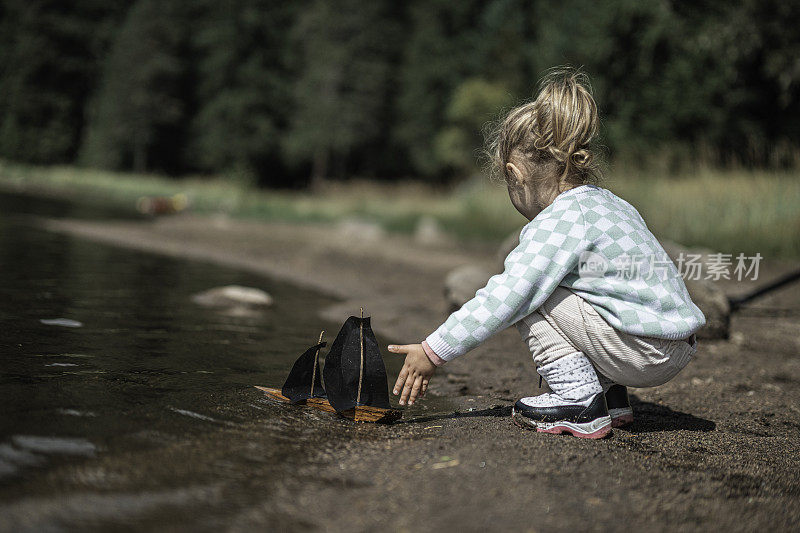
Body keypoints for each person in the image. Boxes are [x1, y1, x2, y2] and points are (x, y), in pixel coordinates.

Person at [388, 67, 705, 439]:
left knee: (529, 291)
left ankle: (579, 401)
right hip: (674, 343)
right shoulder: (613, 205)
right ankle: (609, 395)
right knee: (579, 288)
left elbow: (505, 297)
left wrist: (433, 350)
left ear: (515, 175)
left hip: (641, 349)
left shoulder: (560, 219)